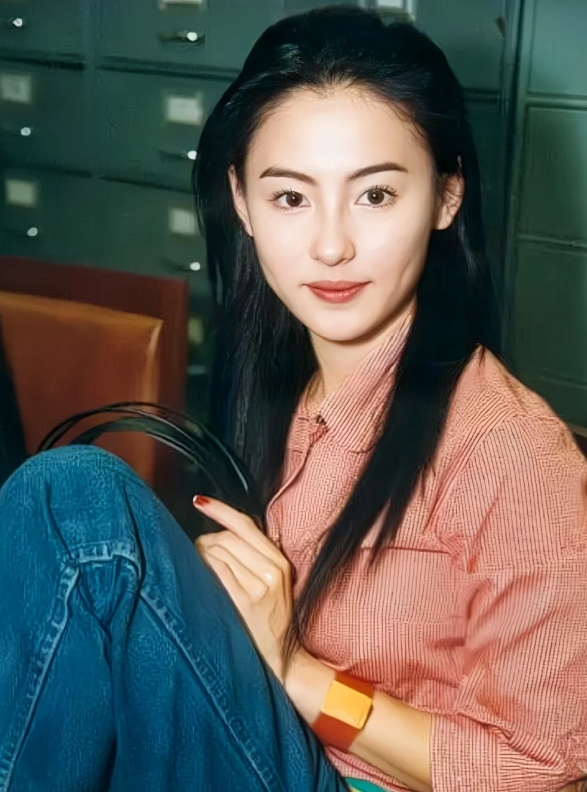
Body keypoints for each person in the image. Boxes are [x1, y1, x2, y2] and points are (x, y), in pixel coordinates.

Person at [0, 7, 585, 792]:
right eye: (290, 198)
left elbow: (546, 772)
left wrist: (295, 669)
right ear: (241, 202)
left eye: (374, 195)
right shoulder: (281, 390)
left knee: (76, 500)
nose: (331, 245)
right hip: (257, 737)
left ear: (446, 197)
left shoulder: (508, 451)